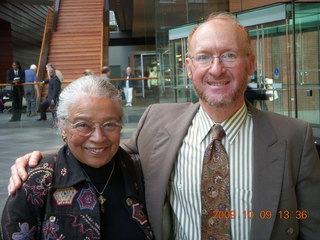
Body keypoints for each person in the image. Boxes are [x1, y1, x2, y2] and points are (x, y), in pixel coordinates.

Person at [8, 12, 320, 240]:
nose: (216, 69)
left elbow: (309, 223)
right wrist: (41, 161)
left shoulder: (293, 137)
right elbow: (102, 148)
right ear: (188, 67)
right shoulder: (158, 121)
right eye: (203, 57)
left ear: (250, 64)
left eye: (229, 55)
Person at [2, 76, 153, 240]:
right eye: (83, 125)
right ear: (63, 127)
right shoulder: (34, 184)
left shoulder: (138, 172)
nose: (98, 137)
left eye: (109, 124)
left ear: (121, 125)